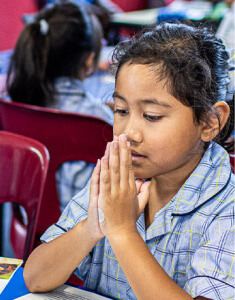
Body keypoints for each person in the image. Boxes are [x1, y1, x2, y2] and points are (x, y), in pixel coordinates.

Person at [24, 22, 234, 299]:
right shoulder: (119, 176)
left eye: (152, 116)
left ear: (210, 122)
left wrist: (122, 231)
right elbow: (35, 278)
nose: (128, 132)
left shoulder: (226, 210)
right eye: (121, 110)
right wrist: (91, 227)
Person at [7, 3, 114, 210]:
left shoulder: (17, 102)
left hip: (31, 226)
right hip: (85, 233)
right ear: (90, 60)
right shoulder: (98, 118)